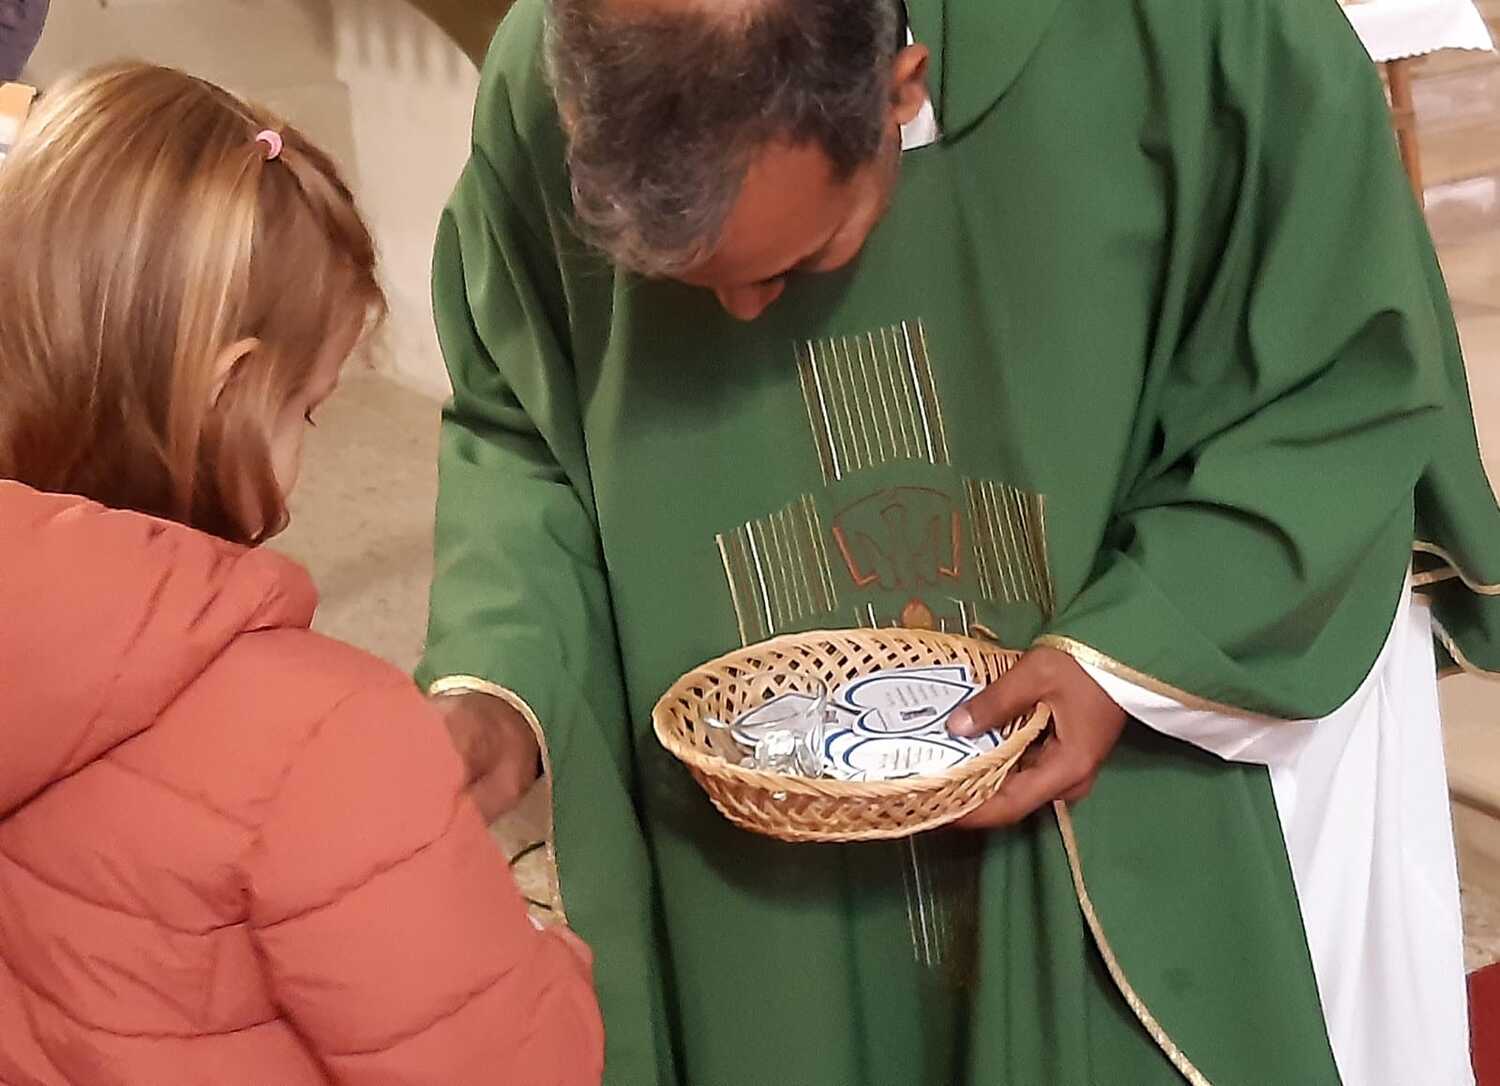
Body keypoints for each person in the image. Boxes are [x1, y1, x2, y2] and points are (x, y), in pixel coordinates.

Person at [422, 0, 1500, 1082]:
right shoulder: (552, 70)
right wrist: (499, 671)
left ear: (902, 89)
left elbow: (1336, 380)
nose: (744, 315)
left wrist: (1141, 647)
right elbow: (522, 429)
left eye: (796, 263)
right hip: (748, 874)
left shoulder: (1196, 31)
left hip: (1133, 763)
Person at [0, 63, 603, 1086]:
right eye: (307, 408)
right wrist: (542, 952)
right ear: (228, 391)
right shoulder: (328, 737)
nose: (307, 444)